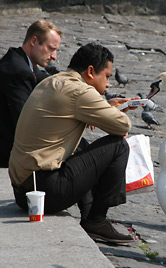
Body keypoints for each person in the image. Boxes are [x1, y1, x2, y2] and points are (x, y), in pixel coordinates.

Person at [9, 43, 140, 243]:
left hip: (24, 192)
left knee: (83, 146)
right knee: (117, 146)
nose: (109, 84)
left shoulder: (52, 81)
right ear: (90, 71)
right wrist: (110, 111)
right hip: (46, 192)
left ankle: (88, 213)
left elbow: (67, 111)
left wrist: (104, 106)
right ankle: (96, 220)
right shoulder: (80, 92)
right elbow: (122, 126)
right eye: (106, 76)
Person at [0, 20, 62, 167]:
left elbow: (54, 83)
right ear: (34, 41)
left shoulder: (24, 63)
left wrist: (95, 98)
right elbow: (26, 123)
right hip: (8, 155)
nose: (54, 56)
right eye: (51, 49)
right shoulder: (17, 70)